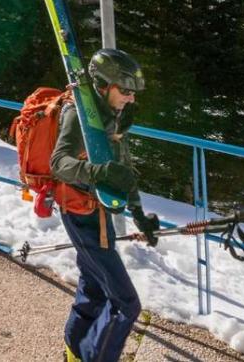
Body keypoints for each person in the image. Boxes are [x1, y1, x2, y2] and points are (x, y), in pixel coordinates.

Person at [50, 48, 161, 362]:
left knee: (94, 288)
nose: (131, 98)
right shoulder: (79, 113)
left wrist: (139, 214)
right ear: (103, 86)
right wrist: (99, 172)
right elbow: (59, 163)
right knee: (127, 303)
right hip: (80, 216)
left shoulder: (111, 116)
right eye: (125, 91)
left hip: (96, 214)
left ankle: (75, 353)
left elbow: (123, 170)